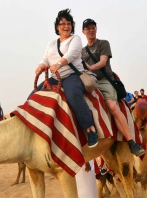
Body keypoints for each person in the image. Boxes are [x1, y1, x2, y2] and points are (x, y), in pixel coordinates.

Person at [32, 9, 98, 148]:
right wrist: (40, 66)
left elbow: (72, 53)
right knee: (34, 95)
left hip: (71, 75)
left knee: (73, 96)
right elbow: (45, 58)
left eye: (68, 23)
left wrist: (58, 64)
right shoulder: (51, 43)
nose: (66, 26)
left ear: (72, 26)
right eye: (62, 24)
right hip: (54, 77)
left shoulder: (76, 39)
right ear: (57, 27)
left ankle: (90, 129)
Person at [82, 18, 145, 156]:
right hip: (88, 81)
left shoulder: (103, 44)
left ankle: (131, 142)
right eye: (88, 28)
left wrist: (90, 67)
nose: (91, 30)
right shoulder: (82, 51)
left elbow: (103, 62)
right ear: (83, 32)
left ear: (96, 29)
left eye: (93, 27)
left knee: (112, 106)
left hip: (104, 80)